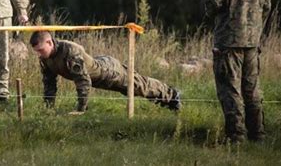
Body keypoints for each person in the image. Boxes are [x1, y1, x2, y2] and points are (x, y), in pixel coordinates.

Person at [202, 0, 271, 143]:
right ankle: (257, 134)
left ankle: (236, 136)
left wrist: (210, 15)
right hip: (252, 39)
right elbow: (267, 4)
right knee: (251, 88)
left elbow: (212, 3)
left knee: (229, 87)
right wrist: (257, 29)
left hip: (228, 40)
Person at [29, 31, 181, 113]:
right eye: (36, 51)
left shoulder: (70, 51)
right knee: (133, 90)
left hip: (108, 72)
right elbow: (49, 84)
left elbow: (83, 81)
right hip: (98, 74)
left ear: (49, 42)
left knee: (138, 86)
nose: (39, 54)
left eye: (41, 50)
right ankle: (168, 102)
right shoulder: (45, 58)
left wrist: (80, 109)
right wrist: (48, 110)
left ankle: (172, 96)